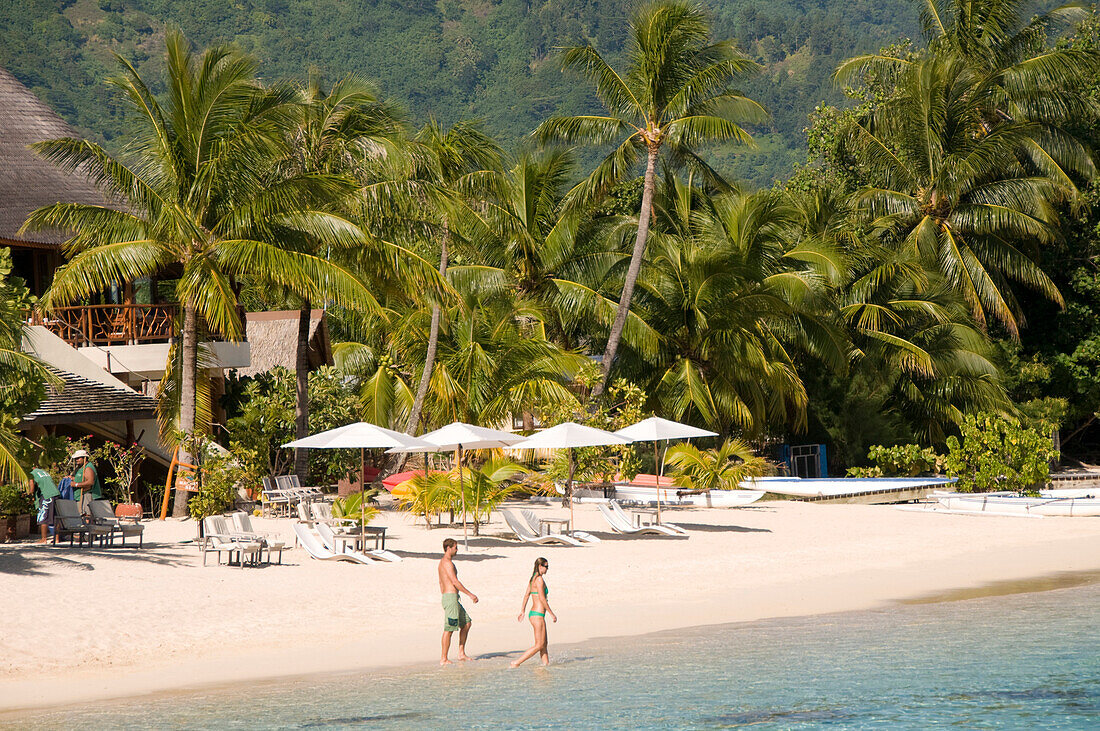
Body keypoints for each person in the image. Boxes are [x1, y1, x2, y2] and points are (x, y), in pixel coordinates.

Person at [438, 537, 478, 665]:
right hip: (450, 599)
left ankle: (461, 653)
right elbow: (454, 581)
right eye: (455, 547)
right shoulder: (446, 563)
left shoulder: (445, 562)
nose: (457, 550)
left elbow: (441, 582)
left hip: (452, 598)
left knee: (466, 623)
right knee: (449, 628)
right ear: (448, 548)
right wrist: (470, 595)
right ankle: (443, 658)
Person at [510, 557, 556, 667]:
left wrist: (522, 611)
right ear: (540, 566)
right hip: (538, 615)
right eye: (546, 567)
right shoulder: (539, 579)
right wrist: (551, 613)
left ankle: (546, 665)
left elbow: (526, 595)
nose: (547, 569)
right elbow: (542, 598)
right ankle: (516, 662)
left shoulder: (532, 579)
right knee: (539, 644)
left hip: (534, 614)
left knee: (544, 644)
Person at [26, 467, 60, 544]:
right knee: (55, 517)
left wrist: (28, 495)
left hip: (47, 495)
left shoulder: (31, 474)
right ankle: (57, 538)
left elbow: (31, 489)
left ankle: (43, 539)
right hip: (56, 493)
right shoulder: (43, 472)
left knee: (43, 516)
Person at [71, 449, 102, 515]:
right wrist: (72, 478)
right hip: (79, 495)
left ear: (84, 458)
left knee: (86, 514)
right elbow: (79, 477)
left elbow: (90, 482)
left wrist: (76, 484)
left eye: (78, 458)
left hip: (86, 495)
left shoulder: (88, 468)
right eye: (76, 458)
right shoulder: (80, 467)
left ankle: (87, 525)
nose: (77, 460)